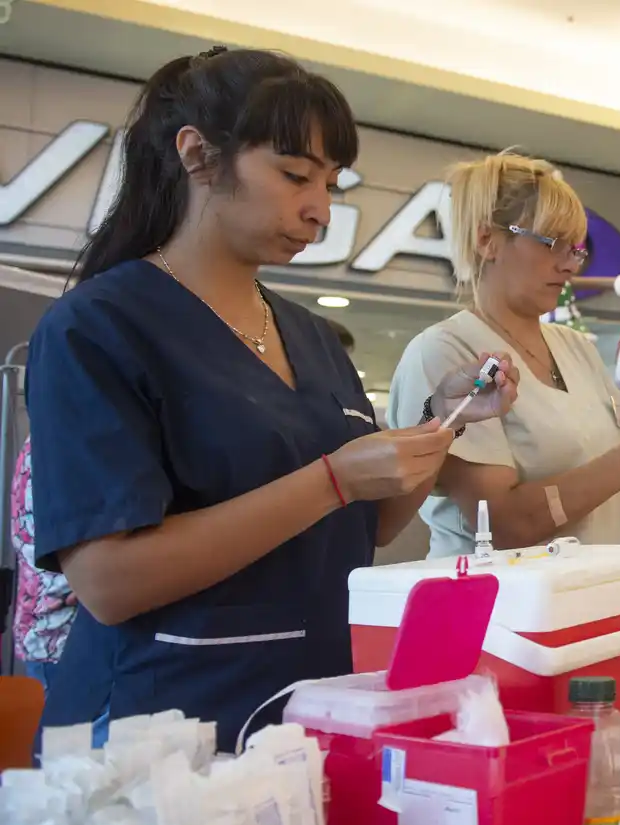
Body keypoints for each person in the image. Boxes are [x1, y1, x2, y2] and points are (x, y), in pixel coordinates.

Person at [26, 48, 512, 752]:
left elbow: (368, 525)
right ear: (197, 155)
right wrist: (334, 478)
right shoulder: (98, 327)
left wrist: (444, 420)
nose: (318, 209)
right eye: (293, 176)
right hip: (152, 735)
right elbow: (108, 578)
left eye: (330, 184)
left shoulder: (310, 336)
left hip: (309, 715)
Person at [388, 151, 620, 554]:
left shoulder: (574, 346)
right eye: (552, 244)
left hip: (601, 599)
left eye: (575, 249)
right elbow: (506, 525)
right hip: (508, 609)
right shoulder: (446, 351)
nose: (569, 265)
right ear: (487, 240)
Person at [11, 437, 78, 692]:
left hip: (52, 634)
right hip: (60, 637)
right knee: (68, 730)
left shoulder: (45, 438)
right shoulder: (63, 443)